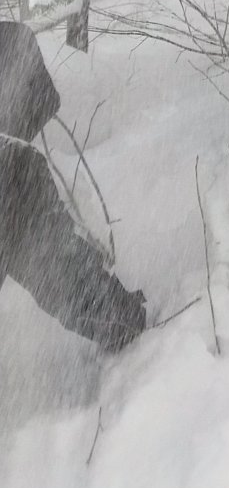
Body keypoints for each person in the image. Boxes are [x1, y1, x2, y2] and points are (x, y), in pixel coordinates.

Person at [0, 20, 146, 352]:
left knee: (59, 272)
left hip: (13, 177)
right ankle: (125, 324)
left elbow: (39, 96)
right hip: (16, 173)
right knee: (59, 271)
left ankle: (130, 329)